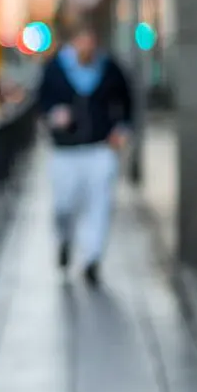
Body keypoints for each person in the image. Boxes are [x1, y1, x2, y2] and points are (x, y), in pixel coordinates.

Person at [37, 23, 135, 285]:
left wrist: (122, 129)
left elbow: (126, 102)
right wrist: (54, 116)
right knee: (63, 206)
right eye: (83, 41)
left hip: (99, 148)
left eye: (91, 41)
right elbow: (41, 102)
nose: (88, 47)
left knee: (99, 204)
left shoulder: (108, 67)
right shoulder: (55, 68)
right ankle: (64, 241)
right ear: (73, 42)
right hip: (65, 151)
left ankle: (92, 258)